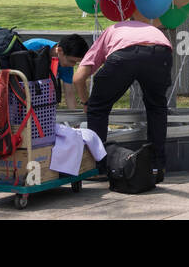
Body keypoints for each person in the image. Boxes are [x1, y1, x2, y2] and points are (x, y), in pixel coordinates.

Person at [73, 18, 174, 183]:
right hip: (161, 52)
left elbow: (78, 78)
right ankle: (157, 167)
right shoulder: (149, 28)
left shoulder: (108, 33)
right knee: (157, 108)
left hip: (124, 54)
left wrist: (87, 103)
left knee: (98, 108)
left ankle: (99, 167)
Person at [23, 34, 89, 107]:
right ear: (60, 50)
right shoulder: (32, 47)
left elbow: (69, 93)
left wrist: (73, 115)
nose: (73, 65)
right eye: (72, 61)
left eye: (76, 62)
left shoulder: (66, 63)